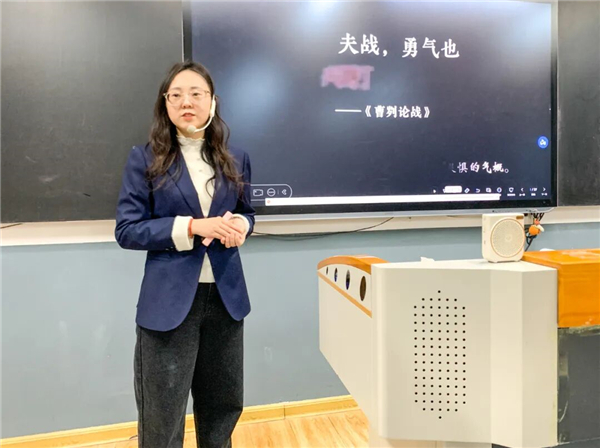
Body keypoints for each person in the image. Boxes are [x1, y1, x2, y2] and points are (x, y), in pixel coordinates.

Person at [115, 60, 255, 448]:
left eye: (196, 93)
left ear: (212, 101)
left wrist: (240, 226)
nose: (186, 102)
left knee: (223, 407)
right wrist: (192, 227)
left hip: (226, 299)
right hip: (170, 302)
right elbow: (127, 230)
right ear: (165, 104)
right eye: (176, 95)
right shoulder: (144, 159)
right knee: (163, 414)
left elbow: (247, 212)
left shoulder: (236, 157)